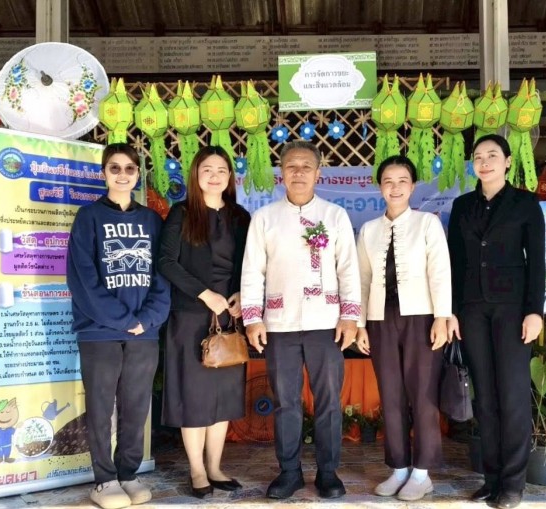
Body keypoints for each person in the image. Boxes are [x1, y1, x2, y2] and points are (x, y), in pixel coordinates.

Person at [240, 140, 360, 500]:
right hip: (280, 323)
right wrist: (253, 317)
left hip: (326, 323)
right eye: (291, 166)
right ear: (281, 173)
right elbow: (252, 271)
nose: (299, 172)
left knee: (329, 401)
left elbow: (349, 269)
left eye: (306, 166)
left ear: (318, 173)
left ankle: (328, 472)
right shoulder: (264, 218)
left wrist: (350, 316)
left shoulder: (335, 216)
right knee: (286, 402)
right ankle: (289, 472)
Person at [66, 143, 170, 509]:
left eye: (129, 168)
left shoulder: (153, 221)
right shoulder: (88, 217)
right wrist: (125, 321)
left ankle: (128, 473)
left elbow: (163, 275)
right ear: (104, 173)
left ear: (138, 174)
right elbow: (82, 279)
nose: (122, 174)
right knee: (100, 407)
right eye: (115, 167)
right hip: (99, 332)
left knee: (136, 406)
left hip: (144, 332)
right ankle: (104, 480)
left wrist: (147, 319)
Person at [447, 134, 545, 509]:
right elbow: (455, 262)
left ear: (507, 162)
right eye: (478, 156)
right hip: (472, 309)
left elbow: (537, 261)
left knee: (513, 395)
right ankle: (491, 479)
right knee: (484, 397)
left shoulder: (525, 203)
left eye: (492, 155)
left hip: (513, 310)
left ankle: (513, 484)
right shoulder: (462, 206)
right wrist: (452, 310)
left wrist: (534, 311)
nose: (484, 162)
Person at [355, 156, 451, 501]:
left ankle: (422, 473)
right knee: (391, 394)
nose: (395, 187)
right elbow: (362, 280)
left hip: (421, 318)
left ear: (412, 186)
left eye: (402, 181)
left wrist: (442, 316)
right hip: (380, 320)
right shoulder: (368, 230)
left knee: (423, 394)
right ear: (380, 187)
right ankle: (398, 468)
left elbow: (440, 271)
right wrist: (361, 324)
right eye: (388, 181)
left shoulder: (427, 224)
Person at [158, 146, 250, 498]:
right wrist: (203, 293)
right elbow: (166, 262)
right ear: (196, 175)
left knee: (223, 396)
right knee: (193, 396)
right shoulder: (182, 213)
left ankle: (215, 467)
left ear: (230, 177)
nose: (215, 176)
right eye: (207, 169)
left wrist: (240, 293)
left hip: (228, 317)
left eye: (222, 170)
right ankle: (197, 470)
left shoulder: (240, 217)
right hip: (190, 316)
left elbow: (249, 264)